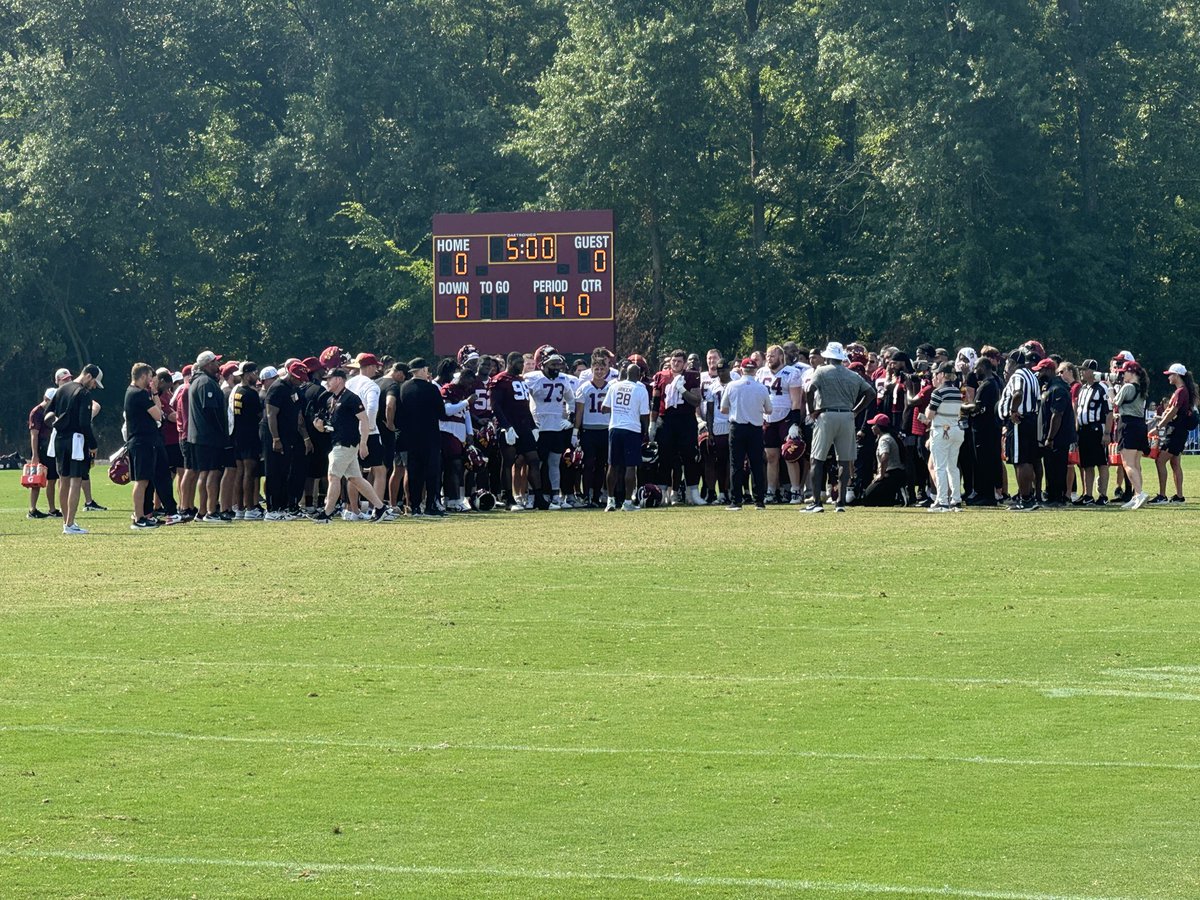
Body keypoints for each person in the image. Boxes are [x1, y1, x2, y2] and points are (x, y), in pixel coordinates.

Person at [308, 368, 395, 523]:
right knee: (356, 479)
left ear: (340, 379)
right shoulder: (332, 399)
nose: (327, 381)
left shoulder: (351, 398)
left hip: (346, 444)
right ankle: (381, 508)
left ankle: (327, 513)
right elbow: (333, 423)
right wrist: (321, 426)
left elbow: (364, 419)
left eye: (330, 378)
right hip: (337, 441)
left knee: (333, 476)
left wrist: (363, 443)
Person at [804, 342, 874, 513]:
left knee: (817, 459)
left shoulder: (821, 371)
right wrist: (856, 410)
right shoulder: (852, 375)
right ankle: (841, 502)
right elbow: (870, 393)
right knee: (844, 460)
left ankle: (817, 502)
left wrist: (812, 411)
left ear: (827, 356)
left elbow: (809, 390)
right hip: (847, 416)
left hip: (826, 415)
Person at [48, 364, 103, 534]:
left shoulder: (62, 390)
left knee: (63, 480)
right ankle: (70, 524)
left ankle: (66, 522)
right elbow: (84, 423)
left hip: (59, 438)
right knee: (76, 480)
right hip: (76, 440)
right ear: (88, 376)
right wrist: (93, 445)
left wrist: (59, 425)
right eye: (94, 382)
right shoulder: (84, 393)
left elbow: (48, 414)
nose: (94, 386)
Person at [489, 350, 546, 510]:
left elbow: (525, 405)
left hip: (524, 426)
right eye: (519, 362)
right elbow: (495, 406)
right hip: (509, 426)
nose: (522, 365)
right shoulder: (500, 380)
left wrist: (533, 426)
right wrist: (506, 427)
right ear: (511, 362)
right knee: (508, 461)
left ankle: (539, 498)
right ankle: (509, 499)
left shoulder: (520, 380)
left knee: (533, 460)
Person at [754, 344, 807, 504]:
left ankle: (796, 490)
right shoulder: (761, 372)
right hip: (767, 419)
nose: (769, 359)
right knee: (771, 456)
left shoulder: (791, 372)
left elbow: (796, 400)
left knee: (790, 455)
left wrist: (795, 422)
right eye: (768, 356)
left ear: (781, 357)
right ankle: (771, 490)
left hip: (785, 418)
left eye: (772, 356)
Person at [650, 349, 703, 505]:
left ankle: (692, 493)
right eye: (674, 360)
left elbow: (696, 401)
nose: (676, 364)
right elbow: (655, 402)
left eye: (679, 361)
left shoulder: (692, 376)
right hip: (666, 420)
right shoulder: (661, 376)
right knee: (665, 457)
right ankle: (663, 494)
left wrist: (682, 390)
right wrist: (652, 423)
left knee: (689, 457)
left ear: (685, 363)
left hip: (686, 420)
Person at [720, 357, 773, 510]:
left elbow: (723, 409)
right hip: (755, 428)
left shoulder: (732, 386)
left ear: (742, 370)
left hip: (737, 427)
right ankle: (759, 501)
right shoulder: (761, 388)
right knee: (756, 464)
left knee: (736, 464)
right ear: (755, 371)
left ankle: (736, 500)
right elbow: (769, 410)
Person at [525, 352, 575, 509]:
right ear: (542, 365)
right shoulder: (532, 378)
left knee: (554, 462)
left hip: (556, 427)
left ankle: (555, 496)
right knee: (536, 464)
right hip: (539, 426)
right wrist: (531, 422)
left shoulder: (563, 379)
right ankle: (532, 496)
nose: (556, 367)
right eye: (552, 364)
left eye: (557, 364)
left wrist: (569, 419)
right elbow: (523, 399)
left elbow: (571, 400)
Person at [261, 360, 309, 520]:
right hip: (275, 435)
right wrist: (275, 438)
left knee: (284, 472)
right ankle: (272, 509)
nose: (300, 380)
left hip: (288, 436)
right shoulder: (277, 388)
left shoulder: (292, 389)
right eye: (298, 377)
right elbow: (271, 415)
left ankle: (282, 507)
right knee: (274, 472)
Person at [601, 362, 651, 511]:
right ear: (639, 376)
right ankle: (627, 502)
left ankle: (610, 501)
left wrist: (617, 409)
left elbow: (604, 408)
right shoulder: (640, 389)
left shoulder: (614, 386)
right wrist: (646, 432)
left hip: (615, 427)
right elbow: (644, 414)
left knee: (613, 465)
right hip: (632, 429)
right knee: (630, 466)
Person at [188, 350, 230, 522]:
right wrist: (222, 434)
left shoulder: (199, 380)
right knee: (212, 473)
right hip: (209, 436)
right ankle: (211, 511)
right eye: (215, 362)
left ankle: (203, 511)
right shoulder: (206, 383)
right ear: (207, 364)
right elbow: (211, 411)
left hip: (201, 436)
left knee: (205, 473)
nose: (218, 365)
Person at [999, 348, 1041, 512]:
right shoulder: (1031, 375)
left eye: (1007, 361)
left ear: (1013, 362)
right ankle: (1028, 496)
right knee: (1028, 460)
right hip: (1030, 419)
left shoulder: (1018, 375)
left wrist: (1012, 411)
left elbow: (1018, 392)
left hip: (1019, 421)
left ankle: (1025, 499)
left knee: (1021, 460)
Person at [1151, 363, 1197, 503]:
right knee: (1175, 463)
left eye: (1170, 374)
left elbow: (1173, 412)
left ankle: (1162, 495)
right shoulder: (1183, 391)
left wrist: (1158, 426)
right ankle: (1179, 496)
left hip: (1176, 432)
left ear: (1177, 375)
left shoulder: (1181, 391)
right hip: (1178, 431)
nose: (1168, 377)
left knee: (1160, 461)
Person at [923, 362, 965, 512]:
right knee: (952, 466)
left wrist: (927, 410)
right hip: (956, 429)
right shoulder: (956, 391)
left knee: (940, 467)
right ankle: (956, 499)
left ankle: (942, 501)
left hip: (942, 430)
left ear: (941, 375)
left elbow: (930, 415)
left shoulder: (938, 392)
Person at [1034, 358, 1076, 506]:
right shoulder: (1050, 387)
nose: (1039, 374)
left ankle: (1056, 498)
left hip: (1058, 437)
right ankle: (1052, 495)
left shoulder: (1057, 389)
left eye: (1041, 371)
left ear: (1049, 371)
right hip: (1052, 436)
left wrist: (1050, 438)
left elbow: (1056, 415)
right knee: (1050, 467)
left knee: (1056, 468)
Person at [575, 355, 613, 508]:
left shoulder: (611, 387)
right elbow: (579, 412)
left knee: (602, 465)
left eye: (602, 369)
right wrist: (575, 431)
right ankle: (587, 496)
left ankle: (597, 495)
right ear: (591, 370)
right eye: (596, 369)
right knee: (588, 464)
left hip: (605, 429)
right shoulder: (584, 387)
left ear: (607, 370)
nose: (599, 372)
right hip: (589, 430)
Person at [1112, 361, 1151, 509]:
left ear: (1132, 373)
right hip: (1140, 426)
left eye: (1124, 372)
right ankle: (1136, 496)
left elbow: (1114, 402)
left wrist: (1110, 390)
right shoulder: (1141, 388)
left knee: (1127, 463)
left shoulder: (1128, 387)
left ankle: (1140, 493)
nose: (1122, 375)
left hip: (1128, 425)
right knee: (1135, 463)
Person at [1072, 359, 1110, 506]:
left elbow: (1109, 412)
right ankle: (1087, 494)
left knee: (1101, 462)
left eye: (1084, 370)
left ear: (1092, 372)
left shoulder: (1101, 388)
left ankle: (1103, 495)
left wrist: (1106, 433)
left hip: (1096, 428)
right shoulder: (1083, 389)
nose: (1081, 372)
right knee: (1086, 464)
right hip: (1084, 429)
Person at [230, 362, 264, 519]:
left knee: (240, 472)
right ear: (248, 374)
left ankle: (239, 507)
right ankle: (250, 508)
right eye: (255, 373)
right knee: (249, 473)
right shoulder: (251, 394)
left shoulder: (236, 391)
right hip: (249, 435)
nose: (256, 376)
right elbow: (259, 415)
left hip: (237, 435)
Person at [27, 388, 60, 519]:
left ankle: (52, 509)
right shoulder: (37, 412)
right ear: (46, 399)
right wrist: (35, 455)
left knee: (52, 478)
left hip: (50, 448)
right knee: (36, 480)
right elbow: (34, 435)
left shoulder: (53, 411)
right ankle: (32, 509)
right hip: (40, 448)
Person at [703, 360, 733, 505]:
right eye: (719, 370)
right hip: (719, 425)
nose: (721, 373)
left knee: (734, 461)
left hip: (733, 423)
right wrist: (710, 431)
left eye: (723, 370)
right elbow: (709, 411)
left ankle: (734, 491)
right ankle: (722, 492)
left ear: (729, 370)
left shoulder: (735, 384)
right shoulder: (713, 386)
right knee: (720, 461)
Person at [860, 414, 907, 506]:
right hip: (897, 473)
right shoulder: (890, 436)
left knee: (867, 497)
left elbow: (884, 457)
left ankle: (899, 495)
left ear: (879, 427)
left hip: (892, 473)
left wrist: (881, 475)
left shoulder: (884, 440)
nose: (872, 427)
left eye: (874, 425)